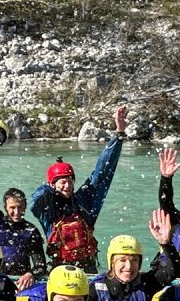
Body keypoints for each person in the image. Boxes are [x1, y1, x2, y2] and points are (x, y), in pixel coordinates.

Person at [32, 105, 127, 271]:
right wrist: (51, 190)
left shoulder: (84, 202)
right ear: (52, 184)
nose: (67, 186)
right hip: (60, 268)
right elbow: (35, 200)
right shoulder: (47, 209)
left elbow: (103, 171)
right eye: (62, 182)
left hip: (87, 267)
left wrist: (118, 134)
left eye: (70, 181)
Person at [0, 140, 47, 291]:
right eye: (12, 208)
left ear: (25, 207)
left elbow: (40, 266)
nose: (17, 212)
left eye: (20, 207)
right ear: (5, 207)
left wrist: (30, 274)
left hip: (20, 284)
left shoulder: (31, 231)